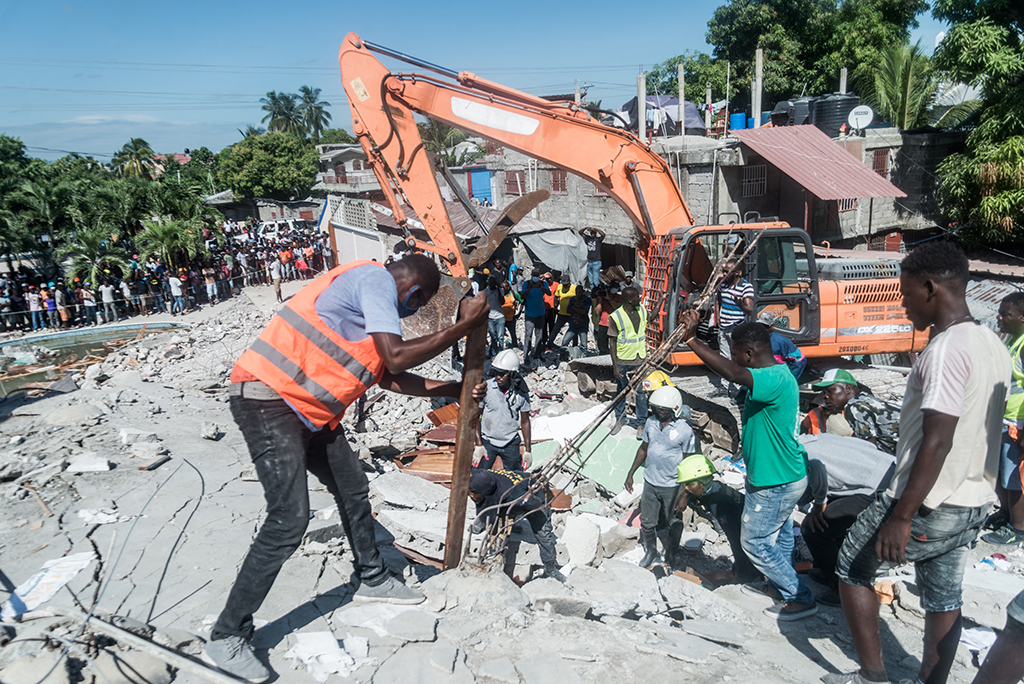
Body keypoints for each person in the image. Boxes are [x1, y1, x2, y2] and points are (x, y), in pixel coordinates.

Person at [202, 255, 488, 682]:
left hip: (310, 412)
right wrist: (462, 327)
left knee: (353, 488)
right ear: (412, 294)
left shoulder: (370, 311)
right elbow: (395, 359)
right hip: (269, 399)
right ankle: (227, 634)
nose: (408, 313)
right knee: (288, 519)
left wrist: (454, 387)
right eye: (416, 305)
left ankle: (372, 576)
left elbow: (387, 377)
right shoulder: (374, 280)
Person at [826, 241, 1010, 684]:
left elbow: (937, 440)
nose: (903, 304)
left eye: (906, 294)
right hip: (973, 499)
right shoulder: (991, 343)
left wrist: (902, 515)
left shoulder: (947, 350)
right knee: (943, 597)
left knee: (852, 566)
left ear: (930, 288)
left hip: (930, 499)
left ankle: (872, 677)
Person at [678, 312, 817, 620]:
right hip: (777, 474)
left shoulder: (772, 378)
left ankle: (800, 597)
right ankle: (779, 585)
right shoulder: (778, 376)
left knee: (754, 541)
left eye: (737, 354)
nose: (736, 360)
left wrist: (691, 340)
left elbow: (732, 374)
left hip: (776, 479)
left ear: (749, 354)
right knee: (778, 536)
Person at [797, 432, 896, 606]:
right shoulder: (812, 438)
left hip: (878, 487)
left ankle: (841, 587)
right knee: (837, 522)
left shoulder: (797, 455)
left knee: (814, 529)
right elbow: (869, 446)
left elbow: (801, 489)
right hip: (882, 471)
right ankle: (831, 568)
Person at [624, 386, 700, 568]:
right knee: (647, 521)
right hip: (651, 481)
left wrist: (685, 494)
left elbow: (689, 464)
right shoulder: (651, 423)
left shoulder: (684, 431)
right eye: (657, 408)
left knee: (673, 520)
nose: (659, 412)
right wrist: (631, 473)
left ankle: (672, 553)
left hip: (672, 485)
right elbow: (643, 449)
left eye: (663, 409)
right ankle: (651, 551)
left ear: (675, 409)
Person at [674, 454, 760, 583]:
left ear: (702, 483)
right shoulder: (717, 488)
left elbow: (735, 539)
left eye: (689, 484)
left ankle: (751, 578)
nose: (686, 488)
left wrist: (742, 569)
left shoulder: (718, 503)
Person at [468, 469, 565, 583]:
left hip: (531, 495)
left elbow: (532, 503)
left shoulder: (517, 496)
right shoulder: (481, 477)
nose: (471, 495)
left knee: (542, 530)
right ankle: (485, 521)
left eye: (474, 492)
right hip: (501, 489)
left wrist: (523, 511)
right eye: (470, 491)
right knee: (494, 524)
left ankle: (550, 567)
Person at [983, 291, 1024, 545]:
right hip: (1003, 419)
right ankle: (1006, 514)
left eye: (1005, 314)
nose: (999, 318)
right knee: (998, 474)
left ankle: (1017, 528)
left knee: (1013, 481)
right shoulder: (1013, 340)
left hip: (1016, 425)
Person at [812, 368, 901, 456]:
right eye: (824, 392)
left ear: (847, 389)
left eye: (829, 391)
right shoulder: (864, 399)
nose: (825, 396)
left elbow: (869, 449)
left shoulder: (854, 406)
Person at [473, 350, 532, 473]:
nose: (498, 377)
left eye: (503, 374)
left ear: (512, 374)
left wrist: (528, 450)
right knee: (477, 477)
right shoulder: (487, 388)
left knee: (516, 478)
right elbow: (475, 417)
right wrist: (479, 445)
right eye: (496, 373)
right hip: (488, 441)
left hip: (510, 443)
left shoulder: (521, 393)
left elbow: (525, 422)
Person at [609, 286, 649, 433]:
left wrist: (662, 300)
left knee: (640, 393)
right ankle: (620, 419)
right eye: (638, 297)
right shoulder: (616, 316)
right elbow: (612, 343)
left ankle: (641, 423)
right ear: (631, 300)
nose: (640, 299)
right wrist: (615, 366)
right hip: (623, 361)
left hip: (640, 359)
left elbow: (654, 316)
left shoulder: (642, 311)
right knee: (622, 391)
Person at [715, 258, 753, 371]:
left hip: (736, 328)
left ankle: (742, 385)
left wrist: (740, 304)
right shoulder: (723, 285)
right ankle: (724, 386)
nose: (724, 274)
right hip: (723, 327)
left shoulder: (746, 287)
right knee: (724, 358)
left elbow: (749, 310)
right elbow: (718, 299)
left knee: (739, 358)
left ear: (736, 272)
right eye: (724, 271)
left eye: (727, 272)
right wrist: (718, 315)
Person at [757, 311, 807, 380]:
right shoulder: (753, 339)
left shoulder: (781, 341)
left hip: (776, 380)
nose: (762, 328)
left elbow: (800, 360)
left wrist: (790, 379)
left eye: (765, 326)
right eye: (760, 325)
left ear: (772, 326)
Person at [520, 269, 549, 365]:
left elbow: (549, 293)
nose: (536, 277)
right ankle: (526, 356)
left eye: (537, 275)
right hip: (530, 314)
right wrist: (529, 288)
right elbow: (522, 296)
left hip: (541, 313)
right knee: (528, 335)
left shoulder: (543, 283)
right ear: (531, 276)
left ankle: (537, 353)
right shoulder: (526, 284)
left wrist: (541, 287)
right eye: (534, 275)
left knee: (539, 335)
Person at [562, 287, 592, 356]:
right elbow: (568, 310)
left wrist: (573, 309)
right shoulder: (572, 299)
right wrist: (579, 311)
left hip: (583, 325)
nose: (577, 294)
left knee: (584, 344)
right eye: (576, 292)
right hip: (573, 324)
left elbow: (584, 312)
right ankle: (563, 355)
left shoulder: (587, 300)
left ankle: (583, 357)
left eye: (579, 293)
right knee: (565, 341)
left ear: (583, 292)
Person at [549, 274, 576, 347]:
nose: (564, 285)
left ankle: (575, 346)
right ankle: (549, 344)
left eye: (566, 284)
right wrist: (555, 306)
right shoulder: (560, 287)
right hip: (562, 314)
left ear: (569, 282)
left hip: (571, 314)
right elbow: (556, 296)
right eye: (563, 284)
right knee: (555, 329)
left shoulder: (574, 288)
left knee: (573, 331)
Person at [485, 277, 505, 358]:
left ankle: (500, 352)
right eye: (491, 283)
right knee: (493, 336)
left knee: (500, 336)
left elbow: (502, 302)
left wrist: (498, 290)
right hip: (490, 317)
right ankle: (494, 352)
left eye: (494, 283)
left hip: (500, 316)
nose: (492, 285)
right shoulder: (485, 292)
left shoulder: (500, 291)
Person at [500, 281, 521, 350]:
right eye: (501, 287)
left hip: (511, 319)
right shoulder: (499, 294)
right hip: (501, 318)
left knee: (513, 333)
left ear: (508, 287)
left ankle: (515, 346)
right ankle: (500, 348)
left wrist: (519, 313)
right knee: (500, 335)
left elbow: (522, 301)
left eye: (504, 287)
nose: (502, 289)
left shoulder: (514, 294)